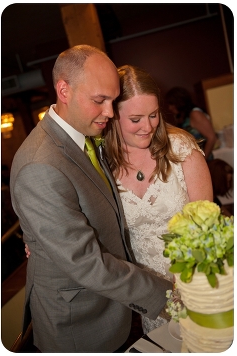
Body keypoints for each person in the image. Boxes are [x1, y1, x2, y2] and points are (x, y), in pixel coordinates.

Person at [9, 45, 172, 352]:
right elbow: (85, 261)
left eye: (112, 100)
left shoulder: (83, 136)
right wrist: (165, 295)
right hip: (78, 324)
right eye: (100, 101)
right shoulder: (39, 164)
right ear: (63, 90)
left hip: (110, 306)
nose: (110, 113)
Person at [103, 65, 213, 334]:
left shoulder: (181, 148)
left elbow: (205, 224)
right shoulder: (102, 163)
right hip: (150, 293)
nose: (148, 126)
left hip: (197, 277)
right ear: (113, 116)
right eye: (136, 119)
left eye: (153, 115)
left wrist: (186, 281)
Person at [164, 87, 218, 160]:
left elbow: (212, 138)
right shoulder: (181, 116)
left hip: (205, 160)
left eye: (171, 104)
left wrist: (203, 159)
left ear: (179, 102)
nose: (170, 108)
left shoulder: (195, 114)